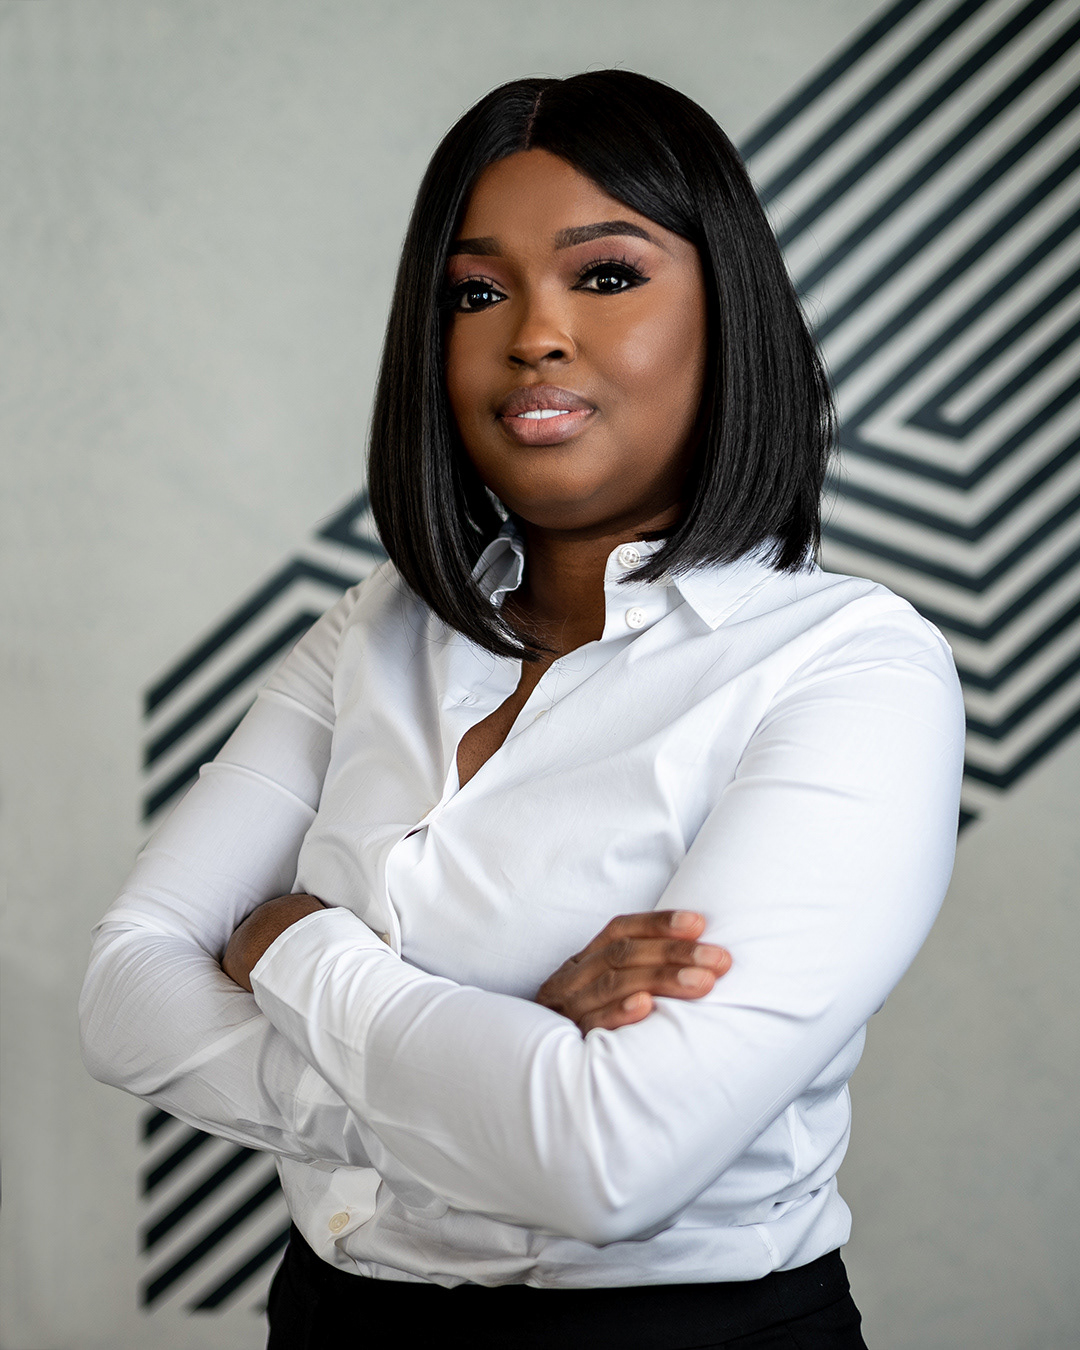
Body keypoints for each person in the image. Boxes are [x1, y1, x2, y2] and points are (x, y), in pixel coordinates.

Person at [80, 70, 965, 1348]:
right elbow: (124, 994)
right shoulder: (375, 629)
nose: (534, 335)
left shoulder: (850, 669)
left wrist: (294, 951)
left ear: (728, 314)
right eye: (476, 294)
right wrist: (505, 1059)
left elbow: (607, 1163)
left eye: (605, 275)